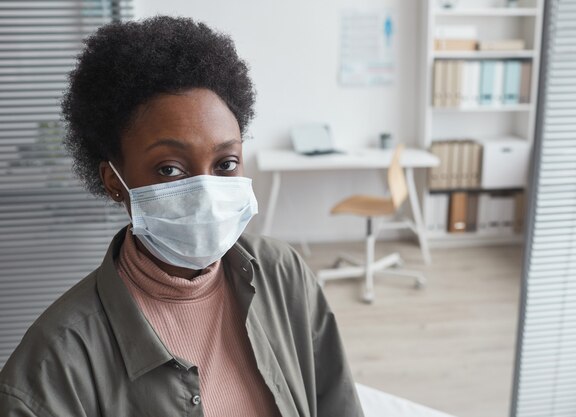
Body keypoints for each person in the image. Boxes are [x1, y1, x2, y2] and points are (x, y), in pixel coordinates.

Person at [0, 16, 364, 417]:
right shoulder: (55, 365)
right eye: (170, 169)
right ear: (113, 180)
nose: (206, 194)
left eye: (226, 163)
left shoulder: (283, 275)